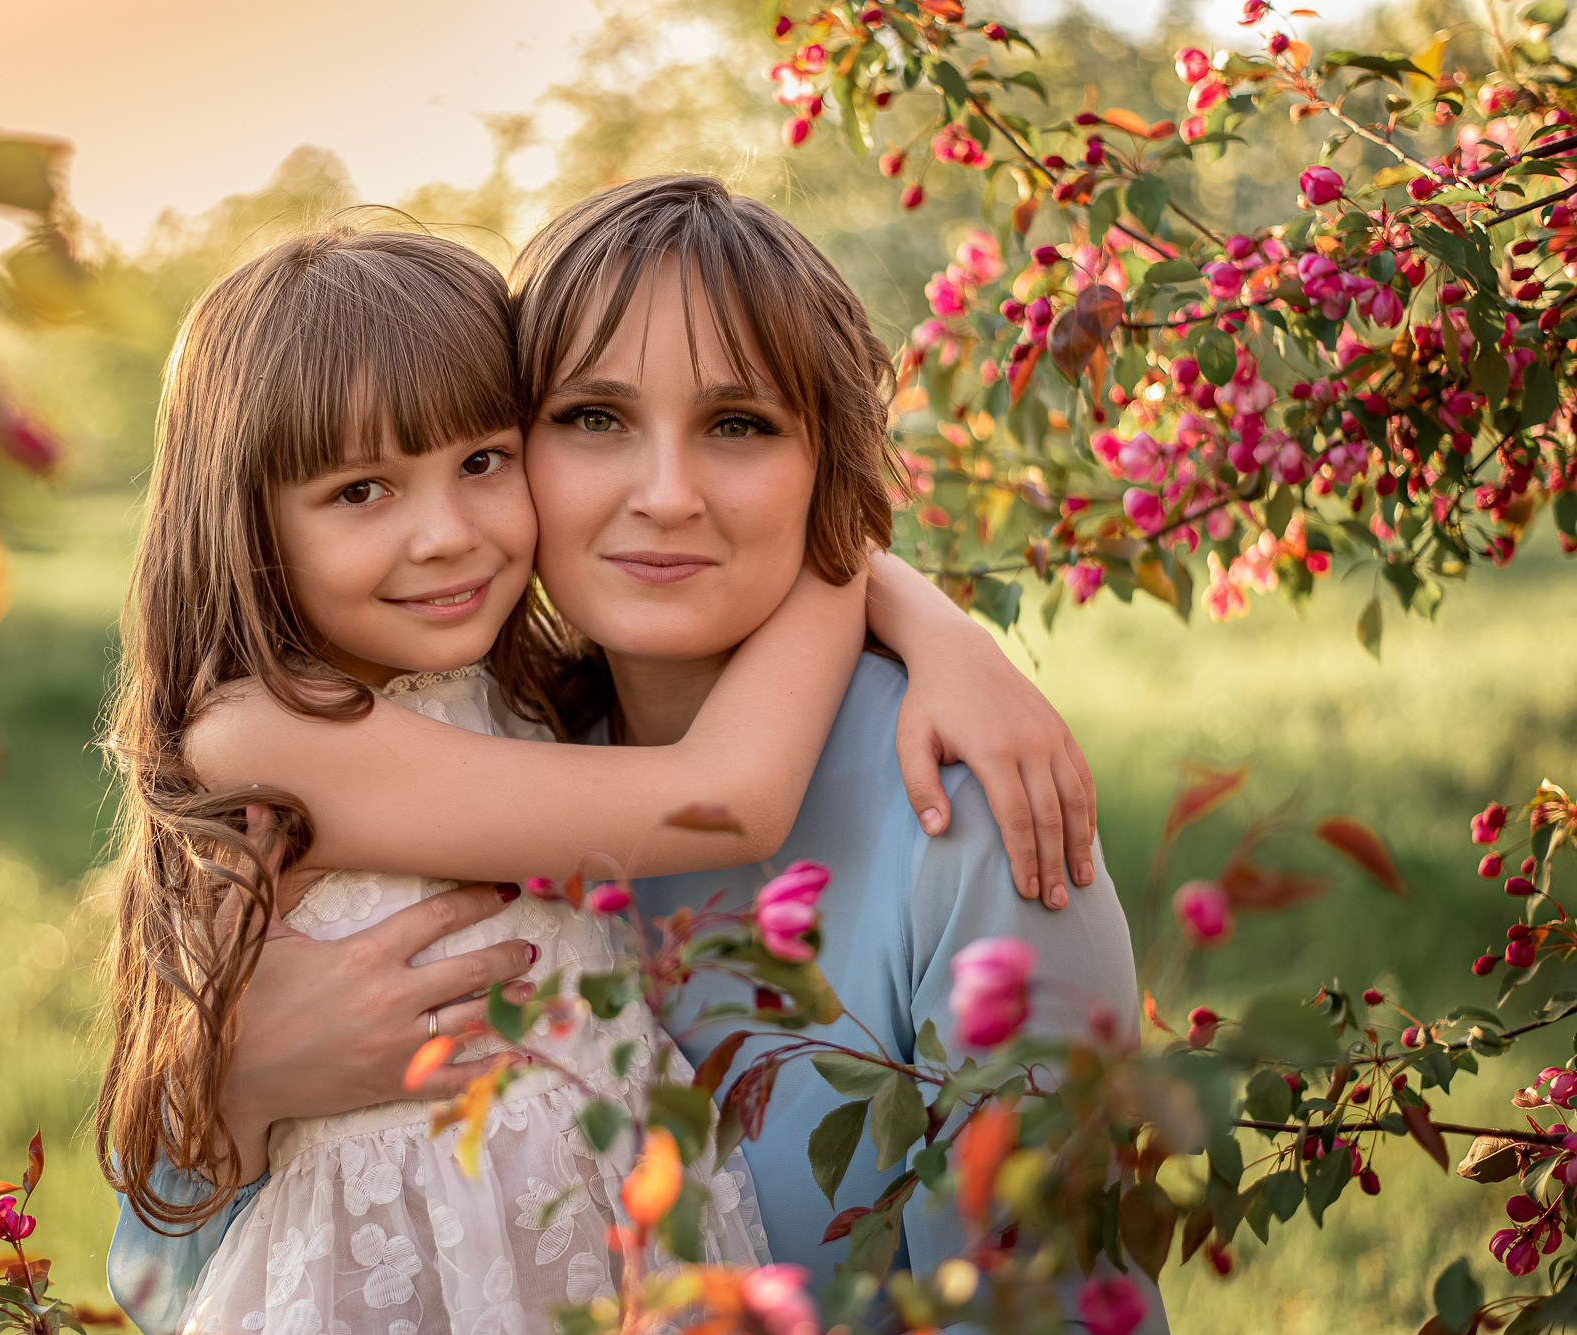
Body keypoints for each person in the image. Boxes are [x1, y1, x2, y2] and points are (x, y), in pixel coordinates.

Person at [106, 178, 1155, 1332]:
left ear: (827, 456)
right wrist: (242, 1096)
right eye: (593, 419)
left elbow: (1042, 1306)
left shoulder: (965, 822)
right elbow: (158, 1287)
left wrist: (898, 596)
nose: (664, 497)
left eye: (739, 425)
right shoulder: (497, 748)